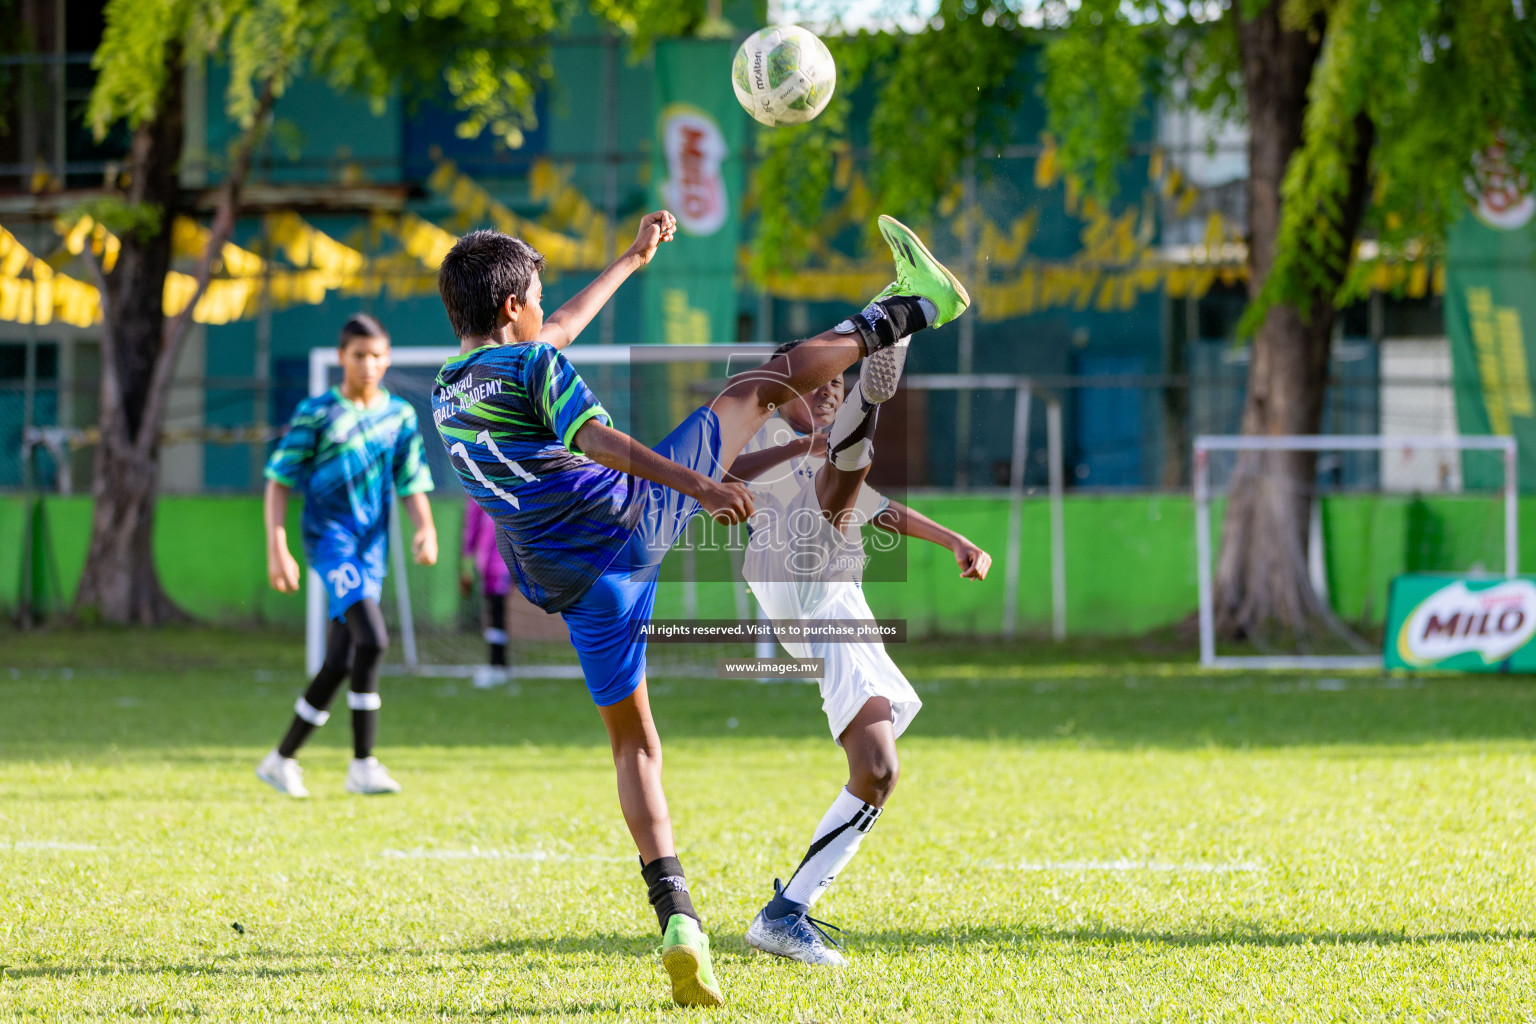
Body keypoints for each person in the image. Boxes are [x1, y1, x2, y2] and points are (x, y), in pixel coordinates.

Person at [430, 211, 967, 1007]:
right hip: (626, 522)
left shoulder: (450, 387)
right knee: (759, 385)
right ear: (513, 308)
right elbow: (598, 442)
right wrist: (703, 486)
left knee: (635, 746)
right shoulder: (534, 365)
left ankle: (679, 920)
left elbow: (561, 330)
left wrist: (631, 260)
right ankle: (912, 307)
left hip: (573, 585)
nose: (550, 307)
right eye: (539, 296)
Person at [726, 247, 992, 964]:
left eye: (838, 386)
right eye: (819, 385)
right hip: (792, 575)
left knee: (878, 768)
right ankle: (897, 329)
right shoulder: (765, 435)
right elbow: (723, 471)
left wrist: (953, 540)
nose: (824, 392)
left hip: (836, 603)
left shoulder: (816, 447)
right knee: (840, 474)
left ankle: (788, 910)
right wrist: (803, 445)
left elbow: (879, 511)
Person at [256, 313, 438, 799]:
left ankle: (281, 759)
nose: (369, 364)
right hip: (330, 542)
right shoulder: (316, 413)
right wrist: (278, 547)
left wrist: (425, 527)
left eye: (378, 355)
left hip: (371, 548)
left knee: (340, 658)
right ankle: (363, 764)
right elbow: (279, 480)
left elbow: (411, 480)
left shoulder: (399, 416)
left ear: (388, 357)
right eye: (359, 356)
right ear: (342, 358)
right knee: (374, 639)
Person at [460, 500, 513, 688]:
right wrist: (466, 567)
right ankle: (498, 666)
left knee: (496, 612)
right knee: (495, 612)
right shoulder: (475, 492)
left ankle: (497, 666)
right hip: (490, 562)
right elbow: (472, 527)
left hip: (500, 562)